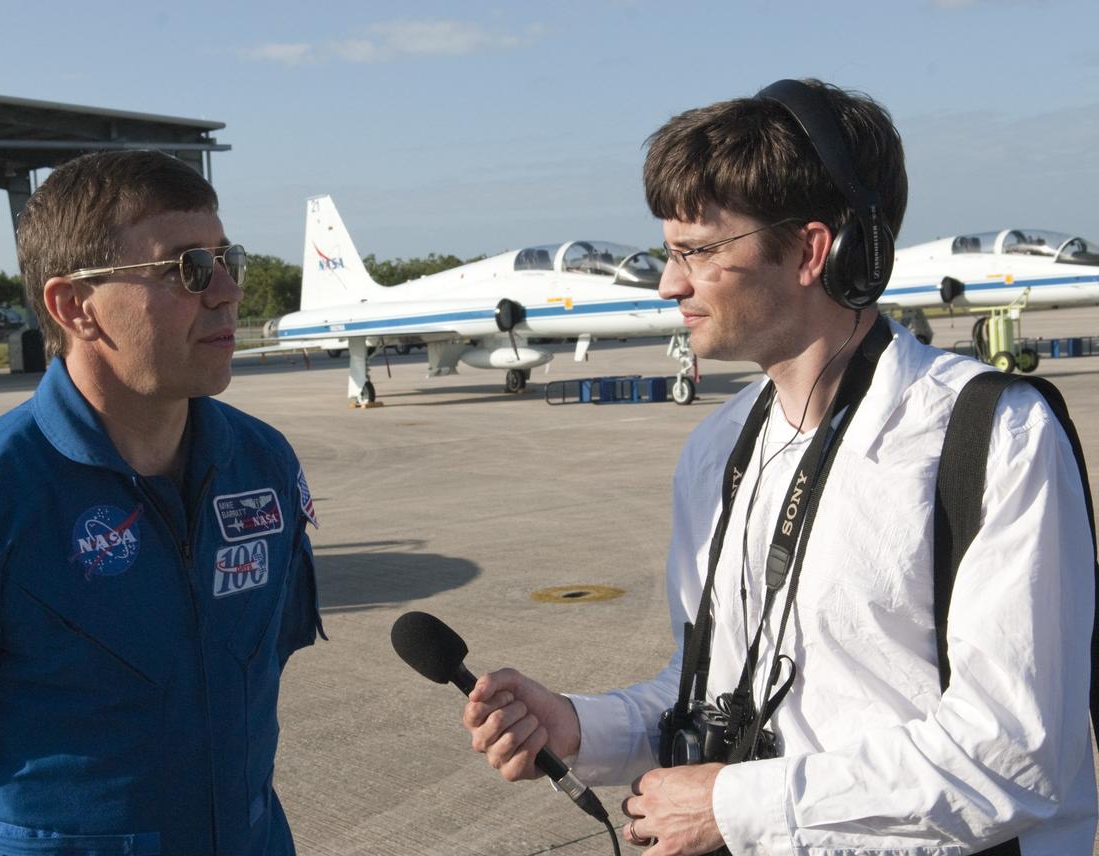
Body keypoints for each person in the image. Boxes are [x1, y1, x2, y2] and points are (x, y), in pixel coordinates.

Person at [462, 79, 1096, 854]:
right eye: (670, 253)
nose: (670, 283)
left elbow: (1015, 756)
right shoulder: (717, 450)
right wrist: (580, 724)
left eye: (697, 251)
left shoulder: (990, 436)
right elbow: (714, 689)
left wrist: (737, 805)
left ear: (810, 250)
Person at [0, 150, 324, 855]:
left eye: (227, 259)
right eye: (186, 268)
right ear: (75, 307)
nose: (226, 291)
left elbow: (262, 659)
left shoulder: (262, 466)